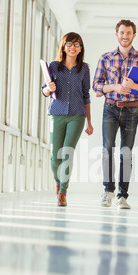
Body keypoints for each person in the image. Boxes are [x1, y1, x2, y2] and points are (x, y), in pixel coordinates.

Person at [93, 19, 138, 209]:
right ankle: (108, 191)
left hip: (132, 109)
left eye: (129, 33)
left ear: (133, 35)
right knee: (107, 148)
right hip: (110, 108)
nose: (125, 36)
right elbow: (96, 85)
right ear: (117, 34)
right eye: (122, 32)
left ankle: (122, 196)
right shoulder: (105, 58)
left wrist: (133, 86)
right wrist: (115, 87)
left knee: (126, 153)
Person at [42, 32, 93, 207]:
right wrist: (48, 89)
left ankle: (63, 191)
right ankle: (58, 181)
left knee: (67, 153)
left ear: (81, 49)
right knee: (55, 156)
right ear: (63, 47)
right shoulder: (54, 66)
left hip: (77, 115)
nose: (73, 47)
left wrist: (89, 122)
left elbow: (86, 95)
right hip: (57, 114)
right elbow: (45, 90)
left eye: (77, 44)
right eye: (69, 44)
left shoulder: (84, 68)